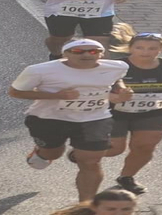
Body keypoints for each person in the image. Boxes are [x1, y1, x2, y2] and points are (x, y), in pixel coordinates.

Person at [9, 38, 133, 204]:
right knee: (53, 153)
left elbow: (115, 79)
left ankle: (86, 206)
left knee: (91, 162)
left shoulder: (118, 67)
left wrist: (121, 90)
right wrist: (57, 96)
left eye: (93, 51)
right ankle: (41, 152)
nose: (87, 54)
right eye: (78, 52)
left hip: (95, 118)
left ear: (101, 54)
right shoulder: (39, 70)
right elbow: (15, 92)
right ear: (65, 54)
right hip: (49, 119)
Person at [104, 32, 162, 195]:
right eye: (139, 48)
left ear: (161, 49)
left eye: (151, 48)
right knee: (115, 149)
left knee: (144, 147)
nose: (145, 52)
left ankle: (127, 177)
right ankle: (84, 152)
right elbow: (95, 87)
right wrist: (115, 96)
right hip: (116, 112)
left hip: (154, 112)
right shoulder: (117, 65)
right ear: (130, 48)